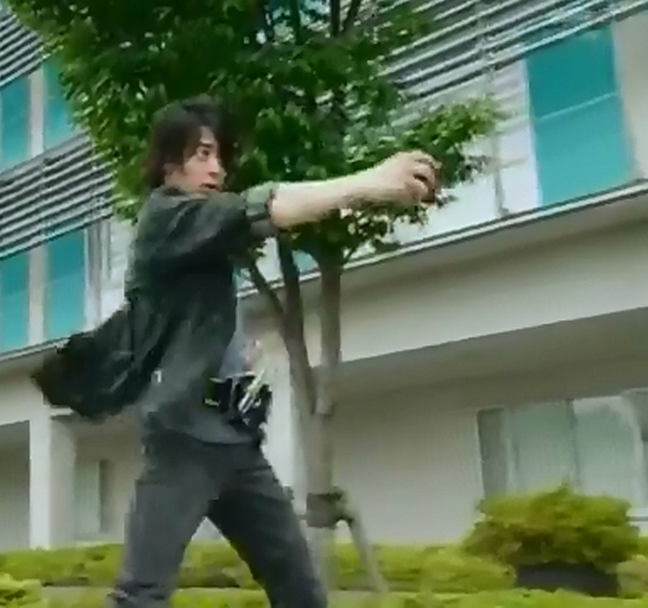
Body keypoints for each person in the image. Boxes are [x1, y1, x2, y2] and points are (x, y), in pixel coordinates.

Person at [107, 95, 439, 607]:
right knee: (141, 595)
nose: (217, 168)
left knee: (300, 592)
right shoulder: (165, 217)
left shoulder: (201, 243)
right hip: (182, 442)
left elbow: (191, 326)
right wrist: (371, 182)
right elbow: (264, 206)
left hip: (236, 446)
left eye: (220, 157)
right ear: (170, 163)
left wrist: (239, 359)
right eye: (202, 154)